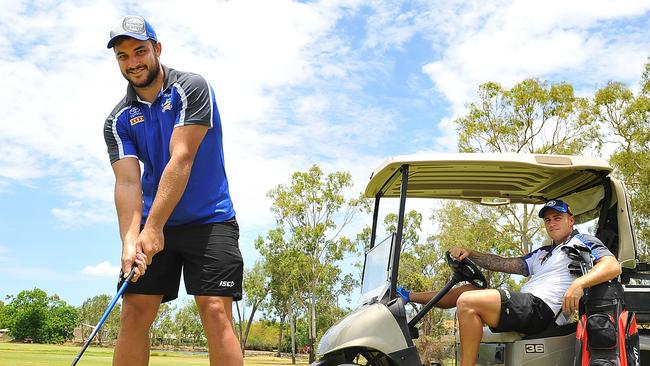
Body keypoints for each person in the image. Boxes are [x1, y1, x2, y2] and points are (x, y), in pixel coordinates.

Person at [103, 15, 243, 366]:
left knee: (214, 311)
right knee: (133, 311)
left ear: (157, 49)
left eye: (139, 51)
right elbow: (128, 181)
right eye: (123, 56)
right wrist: (130, 241)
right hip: (154, 221)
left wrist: (152, 229)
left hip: (210, 220)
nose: (133, 62)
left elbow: (181, 159)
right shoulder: (117, 120)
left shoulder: (192, 88)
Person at [397, 200, 621, 366]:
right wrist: (471, 254)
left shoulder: (581, 241)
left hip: (543, 311)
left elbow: (612, 265)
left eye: (558, 218)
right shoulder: (543, 253)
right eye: (548, 220)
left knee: (468, 301)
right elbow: (504, 263)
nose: (552, 223)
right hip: (527, 305)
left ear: (571, 220)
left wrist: (578, 283)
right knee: (466, 290)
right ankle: (407, 296)